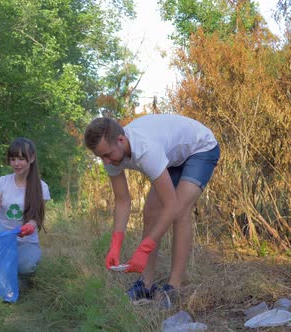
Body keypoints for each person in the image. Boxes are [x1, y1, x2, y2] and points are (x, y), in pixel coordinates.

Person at [84, 114, 220, 307]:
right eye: (100, 157)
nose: (105, 162)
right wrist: (116, 243)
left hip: (200, 149)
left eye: (107, 155)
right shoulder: (112, 155)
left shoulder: (145, 149)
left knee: (179, 211)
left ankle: (174, 288)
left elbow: (171, 206)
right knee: (150, 212)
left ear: (121, 140)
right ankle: (145, 286)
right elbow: (122, 201)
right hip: (173, 157)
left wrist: (145, 247)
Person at [0, 138, 51, 288]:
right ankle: (7, 273)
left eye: (22, 159)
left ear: (32, 158)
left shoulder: (42, 187)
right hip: (1, 239)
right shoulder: (0, 183)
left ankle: (25, 275)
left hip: (26, 242)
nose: (17, 163)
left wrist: (31, 225)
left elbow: (38, 217)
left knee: (25, 266)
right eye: (13, 159)